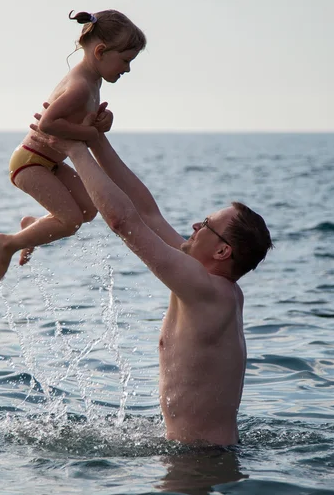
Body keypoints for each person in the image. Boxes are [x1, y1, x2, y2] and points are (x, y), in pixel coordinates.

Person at [30, 107, 273, 447]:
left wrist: (74, 150)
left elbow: (123, 223)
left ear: (222, 252)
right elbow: (146, 213)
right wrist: (97, 140)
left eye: (206, 225)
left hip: (200, 464)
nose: (194, 226)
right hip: (204, 455)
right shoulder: (209, 284)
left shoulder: (207, 291)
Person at [0, 10, 146, 281]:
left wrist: (102, 121)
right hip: (30, 162)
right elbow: (47, 124)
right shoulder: (81, 86)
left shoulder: (92, 80)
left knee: (88, 208)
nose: (128, 68)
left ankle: (32, 228)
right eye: (125, 60)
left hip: (50, 161)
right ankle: (8, 243)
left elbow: (76, 120)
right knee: (70, 220)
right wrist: (89, 132)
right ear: (100, 51)